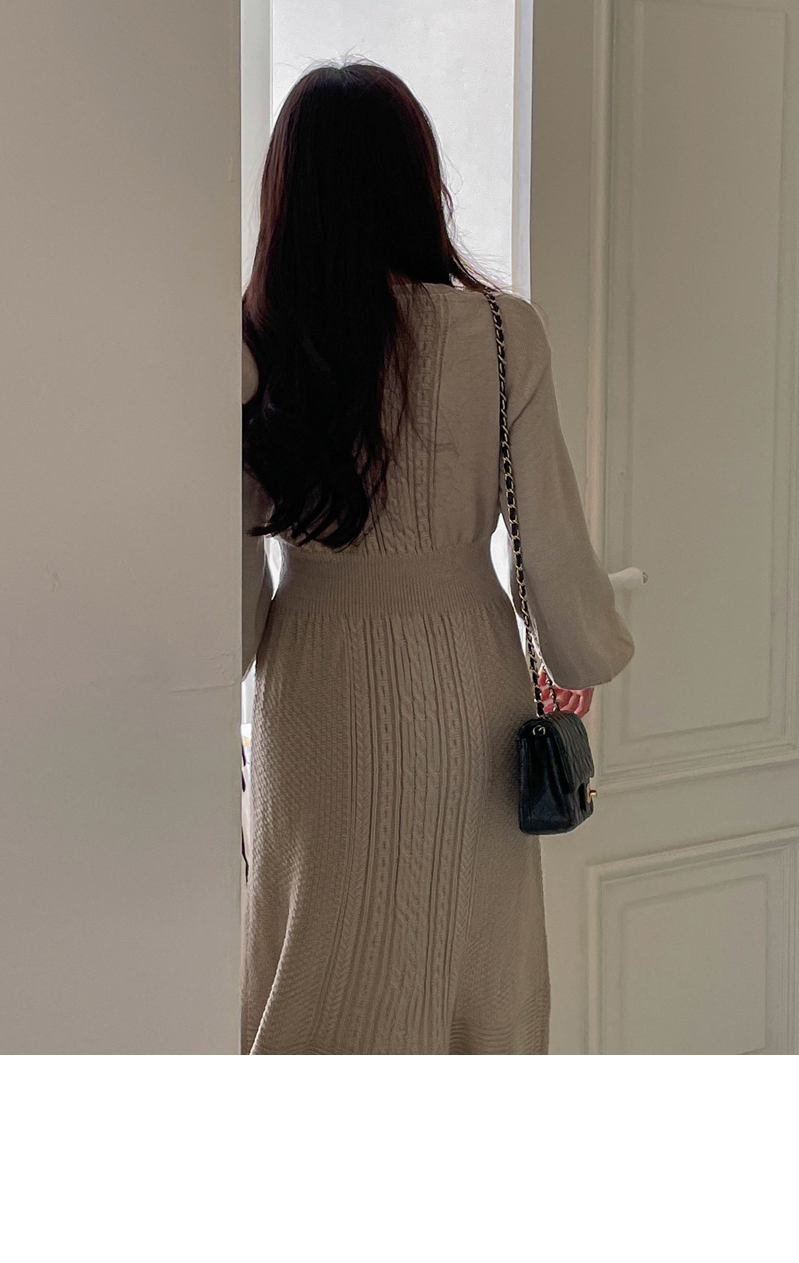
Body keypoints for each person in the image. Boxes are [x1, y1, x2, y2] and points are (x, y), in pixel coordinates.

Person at [240, 61, 635, 1055]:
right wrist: (576, 653)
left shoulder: (254, 341)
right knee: (473, 962)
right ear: (419, 181)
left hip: (314, 685)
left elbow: (229, 594)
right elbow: (550, 537)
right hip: (469, 679)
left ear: (288, 193)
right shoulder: (501, 332)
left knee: (316, 957)